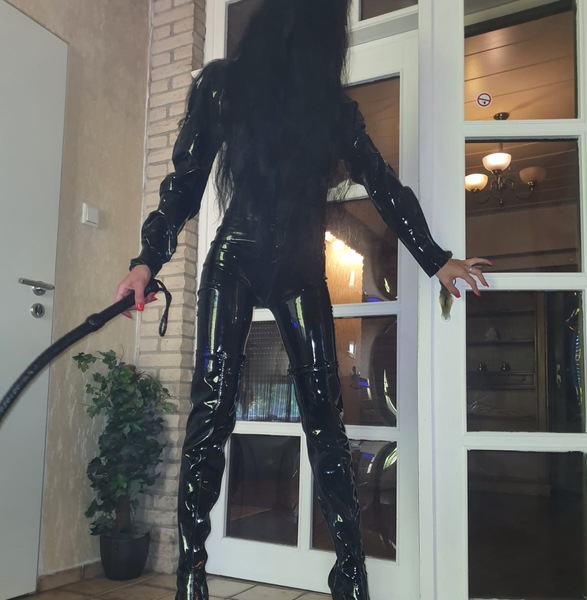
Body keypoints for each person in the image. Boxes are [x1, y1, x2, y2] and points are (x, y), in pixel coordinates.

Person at [115, 0, 490, 598]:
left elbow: (383, 185)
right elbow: (184, 184)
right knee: (214, 410)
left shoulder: (330, 110)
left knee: (322, 416)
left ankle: (351, 572)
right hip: (236, 260)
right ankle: (192, 573)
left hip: (298, 267)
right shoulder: (223, 86)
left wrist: (434, 257)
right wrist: (146, 261)